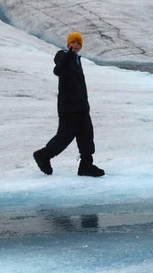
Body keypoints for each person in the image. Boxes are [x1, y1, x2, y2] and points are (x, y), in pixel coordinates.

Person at [33, 32, 105, 177]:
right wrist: (69, 56)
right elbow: (58, 70)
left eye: (78, 43)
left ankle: (86, 165)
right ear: (68, 44)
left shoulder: (77, 60)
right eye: (73, 42)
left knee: (86, 135)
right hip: (69, 108)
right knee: (64, 136)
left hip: (81, 107)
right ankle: (43, 155)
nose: (76, 45)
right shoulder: (62, 55)